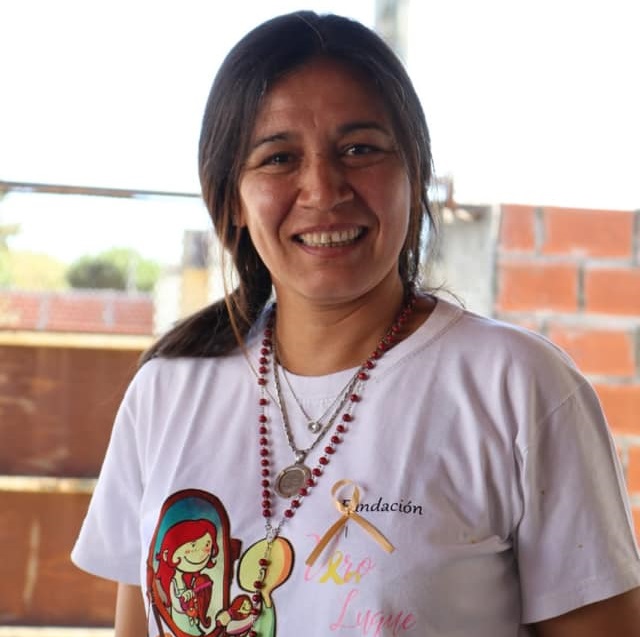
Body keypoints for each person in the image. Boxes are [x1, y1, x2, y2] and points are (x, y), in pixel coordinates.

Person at [71, 10, 640, 637]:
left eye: (359, 149)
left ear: (414, 174)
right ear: (232, 199)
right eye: (279, 157)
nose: (323, 189)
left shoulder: (517, 386)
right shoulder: (166, 391)